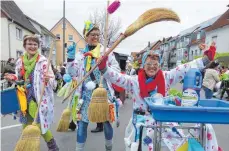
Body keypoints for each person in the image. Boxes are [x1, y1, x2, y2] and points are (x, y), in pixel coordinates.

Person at [98, 43, 219, 150]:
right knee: (146, 144)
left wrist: (205, 60)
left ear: (159, 65)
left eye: (155, 64)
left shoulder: (167, 77)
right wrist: (104, 68)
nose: (152, 66)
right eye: (149, 63)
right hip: (142, 122)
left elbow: (185, 68)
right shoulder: (134, 81)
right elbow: (118, 78)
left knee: (180, 142)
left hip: (163, 120)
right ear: (143, 65)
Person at [65, 21, 120, 151]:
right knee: (82, 125)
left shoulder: (106, 52)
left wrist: (105, 66)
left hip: (103, 93)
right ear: (86, 36)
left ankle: (109, 147)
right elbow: (72, 73)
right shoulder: (80, 55)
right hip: (85, 96)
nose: (95, 37)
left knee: (107, 123)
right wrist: (71, 59)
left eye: (97, 34)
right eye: (92, 35)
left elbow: (116, 72)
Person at [4, 35, 59, 150]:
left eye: (35, 44)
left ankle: (51, 147)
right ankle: (31, 147)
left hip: (38, 99)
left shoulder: (43, 62)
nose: (32, 46)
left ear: (38, 46)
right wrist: (12, 77)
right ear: (24, 46)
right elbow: (19, 78)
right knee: (25, 124)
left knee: (37, 126)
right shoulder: (20, 62)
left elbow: (54, 84)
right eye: (30, 44)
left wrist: (49, 79)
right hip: (24, 98)